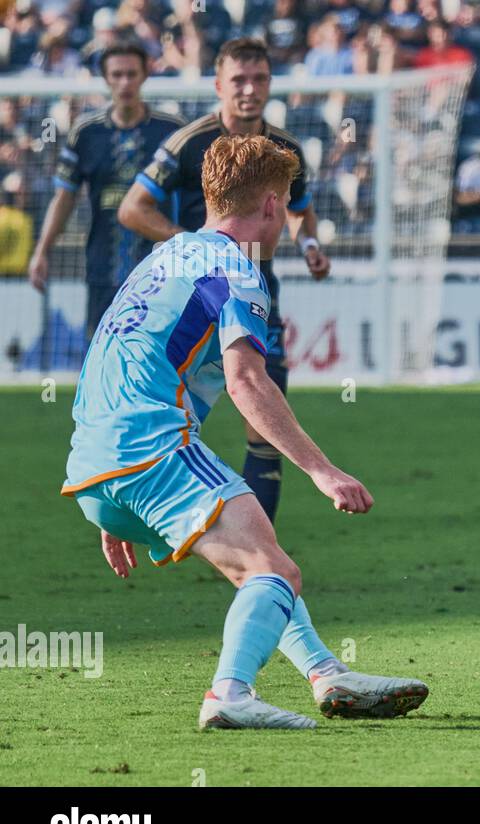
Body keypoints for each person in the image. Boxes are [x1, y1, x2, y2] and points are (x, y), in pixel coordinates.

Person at [62, 134, 427, 729]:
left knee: (258, 563)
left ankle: (327, 675)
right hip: (150, 449)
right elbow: (247, 382)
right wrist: (322, 470)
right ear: (272, 207)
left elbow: (106, 355)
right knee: (275, 573)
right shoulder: (237, 269)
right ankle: (228, 694)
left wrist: (111, 492)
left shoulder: (163, 258)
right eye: (283, 202)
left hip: (95, 462)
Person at [118, 37, 331, 525]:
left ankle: (260, 549)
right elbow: (132, 208)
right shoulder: (190, 143)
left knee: (266, 428)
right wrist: (197, 246)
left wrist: (311, 246)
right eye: (239, 80)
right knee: (167, 423)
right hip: (188, 304)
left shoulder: (284, 152)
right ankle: (143, 518)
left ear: (270, 84)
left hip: (254, 300)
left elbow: (300, 213)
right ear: (219, 85)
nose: (249, 90)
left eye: (259, 79)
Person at [28, 42, 184, 339]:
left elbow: (195, 195)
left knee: (158, 356)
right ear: (105, 78)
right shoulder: (86, 133)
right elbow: (65, 198)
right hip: (102, 266)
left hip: (163, 269)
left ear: (144, 76)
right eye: (117, 75)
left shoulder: (172, 131)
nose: (124, 82)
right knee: (100, 351)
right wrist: (42, 251)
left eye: (131, 74)